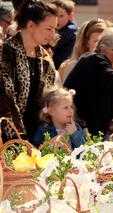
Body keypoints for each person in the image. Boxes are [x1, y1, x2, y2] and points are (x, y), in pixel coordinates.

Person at [0, 0, 57, 141]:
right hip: (8, 136)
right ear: (31, 25)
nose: (53, 34)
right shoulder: (7, 52)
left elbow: (49, 98)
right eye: (49, 28)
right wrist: (19, 138)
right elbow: (6, 99)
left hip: (36, 136)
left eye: (55, 29)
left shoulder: (45, 58)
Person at [59, 18, 107, 83]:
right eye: (96, 41)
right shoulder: (73, 66)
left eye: (105, 41)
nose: (101, 46)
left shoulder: (111, 66)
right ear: (87, 43)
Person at [52, 0, 77, 69]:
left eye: (61, 16)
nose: (57, 19)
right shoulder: (61, 29)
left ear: (70, 16)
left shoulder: (70, 31)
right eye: (54, 15)